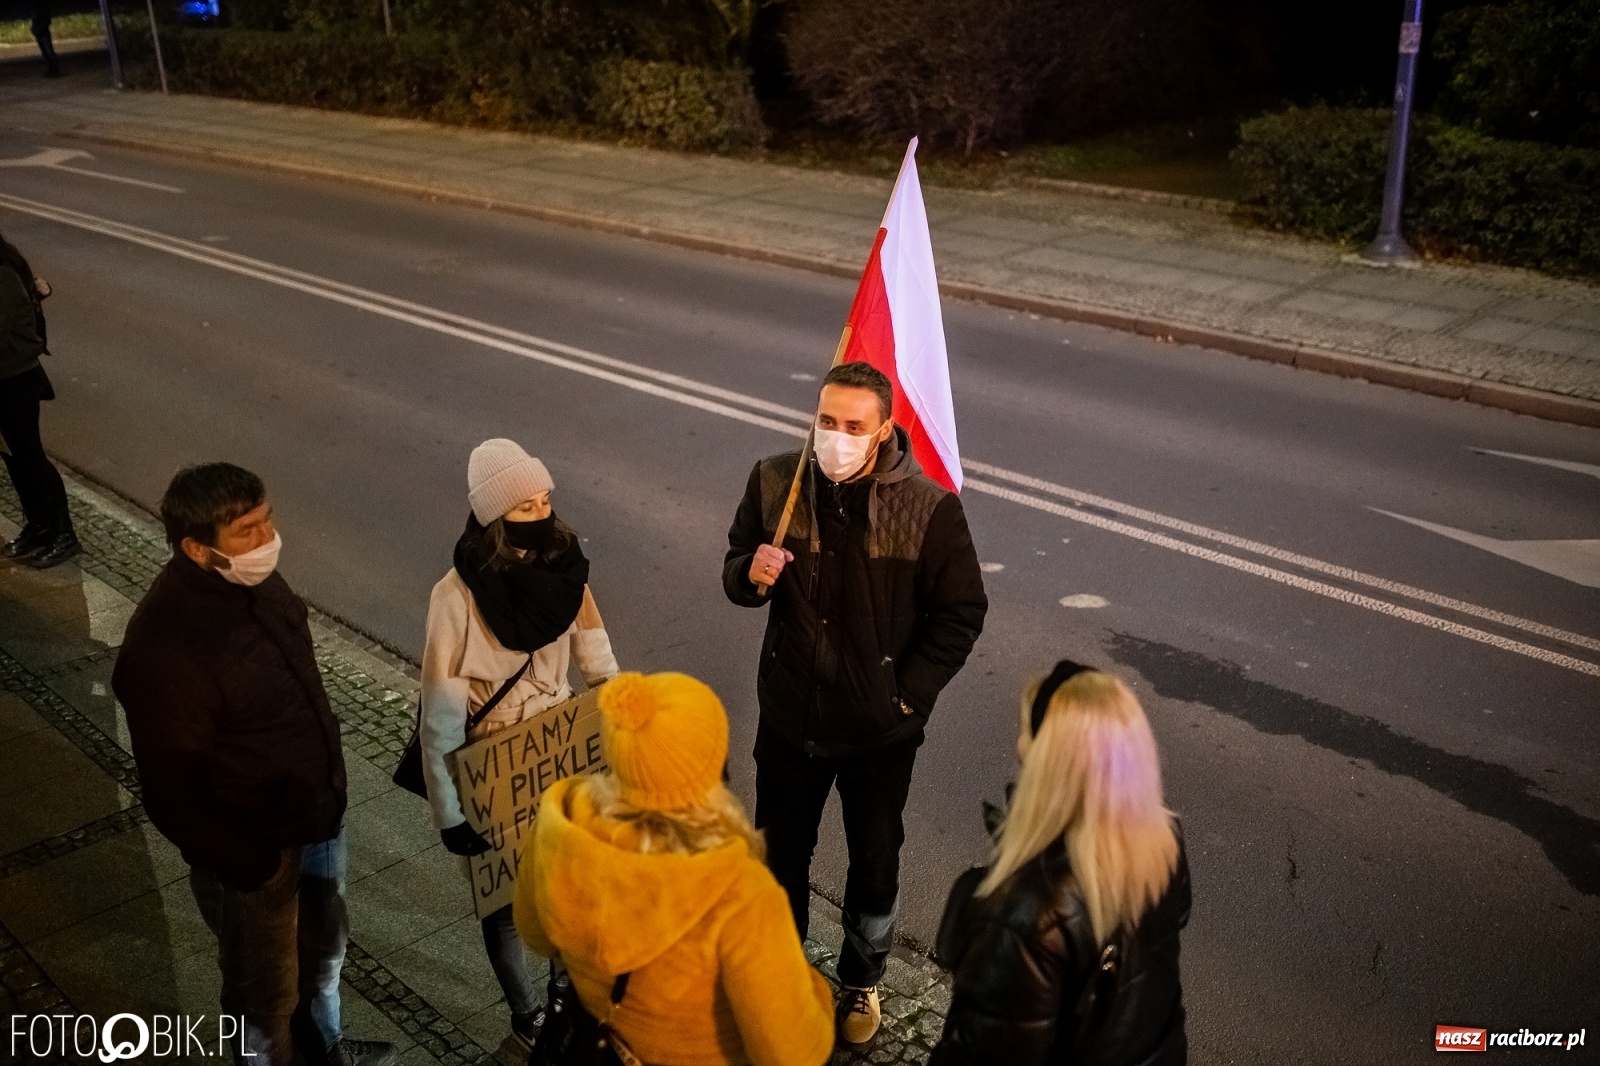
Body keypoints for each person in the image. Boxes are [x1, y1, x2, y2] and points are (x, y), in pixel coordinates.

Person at [722, 360, 988, 1044]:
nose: (837, 436)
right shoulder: (775, 482)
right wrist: (748, 577)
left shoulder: (929, 511)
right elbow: (736, 568)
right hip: (790, 722)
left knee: (875, 861)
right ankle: (780, 974)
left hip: (878, 736)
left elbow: (960, 613)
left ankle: (861, 981)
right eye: (826, 421)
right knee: (781, 856)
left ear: (884, 430)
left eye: (854, 425)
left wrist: (905, 699)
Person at [111, 463, 395, 1066]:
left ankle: (327, 1050)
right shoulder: (166, 644)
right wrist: (256, 866)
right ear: (197, 548)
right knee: (262, 1000)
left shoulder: (256, 583)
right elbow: (172, 793)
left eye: (268, 520)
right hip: (256, 851)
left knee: (323, 958)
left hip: (315, 818)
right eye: (246, 530)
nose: (267, 540)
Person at [513, 670, 835, 1066]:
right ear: (712, 769)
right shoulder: (740, 895)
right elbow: (794, 1054)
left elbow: (535, 935)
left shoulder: (562, 830)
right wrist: (814, 991)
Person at [420, 438, 620, 1052]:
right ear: (494, 518)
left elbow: (597, 655)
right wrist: (450, 813)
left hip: (557, 750)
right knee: (503, 906)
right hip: (494, 761)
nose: (541, 515)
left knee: (568, 892)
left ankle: (566, 1004)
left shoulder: (566, 572)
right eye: (524, 507)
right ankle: (525, 1014)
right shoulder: (454, 597)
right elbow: (440, 716)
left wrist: (622, 722)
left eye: (545, 500)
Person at [929, 662, 1191, 1066]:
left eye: (1025, 732)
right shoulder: (1161, 841)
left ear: (1047, 762)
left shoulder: (1027, 913)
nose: (1018, 741)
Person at [0, 232, 78, 568]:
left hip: (15, 380)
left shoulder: (1, 273)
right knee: (14, 458)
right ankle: (39, 525)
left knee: (30, 456)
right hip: (4, 379)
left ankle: (64, 534)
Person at [32, 0, 61, 78]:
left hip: (42, 27)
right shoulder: (38, 7)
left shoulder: (42, 6)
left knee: (47, 49)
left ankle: (54, 69)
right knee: (45, 50)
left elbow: (45, 17)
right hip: (40, 27)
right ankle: (51, 68)